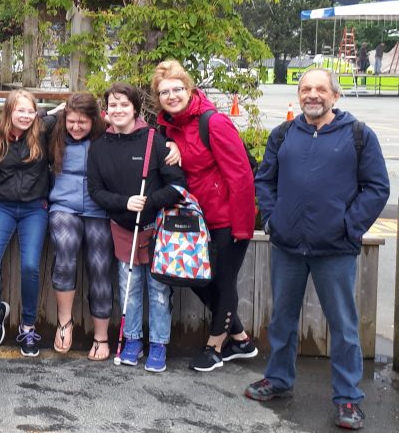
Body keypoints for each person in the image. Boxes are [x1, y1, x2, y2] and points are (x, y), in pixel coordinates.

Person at [246, 68, 389, 430]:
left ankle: (347, 398)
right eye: (306, 88)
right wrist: (272, 220)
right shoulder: (282, 136)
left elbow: (376, 188)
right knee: (282, 319)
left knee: (343, 327)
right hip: (289, 247)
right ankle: (278, 380)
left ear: (334, 96)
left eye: (320, 89)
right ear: (298, 95)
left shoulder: (358, 136)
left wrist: (348, 227)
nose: (312, 95)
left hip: (335, 250)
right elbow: (265, 179)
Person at [152, 60, 259, 372]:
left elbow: (241, 176)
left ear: (189, 89)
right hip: (196, 221)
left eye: (177, 89)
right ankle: (240, 340)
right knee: (196, 279)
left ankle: (215, 346)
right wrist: (170, 142)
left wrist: (242, 226)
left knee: (224, 281)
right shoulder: (168, 127)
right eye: (164, 92)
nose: (171, 96)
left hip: (226, 218)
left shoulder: (213, 123)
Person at [87, 83, 185, 373]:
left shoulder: (155, 141)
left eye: (123, 105)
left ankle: (158, 344)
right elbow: (95, 191)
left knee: (157, 289)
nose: (117, 110)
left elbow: (178, 185)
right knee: (128, 289)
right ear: (106, 111)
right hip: (122, 227)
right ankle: (132, 341)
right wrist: (124, 203)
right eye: (112, 106)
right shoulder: (99, 147)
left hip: (155, 228)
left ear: (135, 109)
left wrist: (151, 202)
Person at [0, 89, 56, 357]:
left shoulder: (45, 130)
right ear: (9, 111)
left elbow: (79, 113)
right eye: (19, 110)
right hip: (2, 205)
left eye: (29, 110)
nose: (25, 115)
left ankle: (27, 326)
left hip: (34, 208)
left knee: (30, 266)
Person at [46, 92, 112, 361]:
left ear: (94, 119)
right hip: (64, 206)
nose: (75, 127)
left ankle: (101, 335)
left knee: (100, 264)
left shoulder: (106, 135)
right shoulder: (55, 133)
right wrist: (54, 112)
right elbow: (24, 122)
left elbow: (139, 131)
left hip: (99, 207)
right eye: (71, 121)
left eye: (82, 122)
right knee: (65, 251)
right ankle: (64, 322)